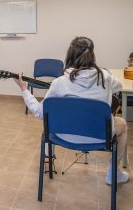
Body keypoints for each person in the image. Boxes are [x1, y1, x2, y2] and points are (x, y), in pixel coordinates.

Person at [13, 36, 129, 185]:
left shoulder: (59, 83)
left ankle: (50, 154)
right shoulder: (105, 78)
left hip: (63, 136)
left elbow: (39, 112)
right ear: (92, 56)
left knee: (51, 122)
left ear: (69, 55)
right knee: (122, 124)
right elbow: (118, 87)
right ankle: (113, 173)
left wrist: (23, 88)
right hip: (99, 137)